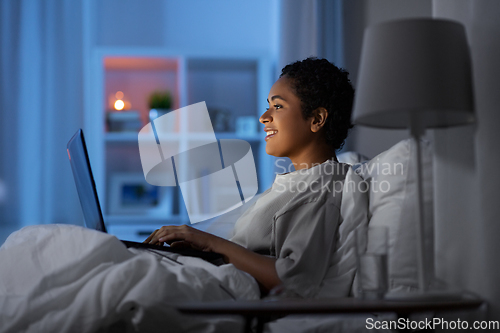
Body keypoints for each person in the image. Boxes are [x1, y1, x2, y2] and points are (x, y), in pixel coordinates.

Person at [144, 57, 367, 298]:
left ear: (316, 119)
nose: (263, 117)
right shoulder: (298, 181)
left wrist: (210, 243)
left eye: (278, 106)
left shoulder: (322, 187)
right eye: (268, 105)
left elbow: (294, 281)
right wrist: (200, 249)